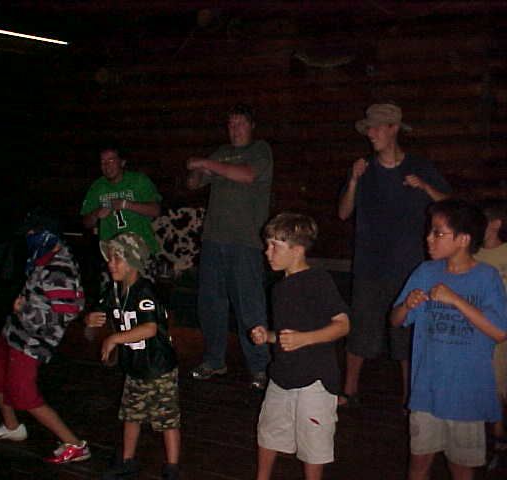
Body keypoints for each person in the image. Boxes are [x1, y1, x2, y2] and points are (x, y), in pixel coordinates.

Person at [337, 103, 451, 407]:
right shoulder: (364, 169)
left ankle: (410, 397)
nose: (371, 134)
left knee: (408, 332)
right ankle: (349, 391)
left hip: (409, 267)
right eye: (368, 129)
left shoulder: (419, 167)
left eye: (376, 128)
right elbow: (343, 213)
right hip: (369, 266)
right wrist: (353, 181)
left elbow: (448, 204)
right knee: (362, 327)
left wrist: (424, 187)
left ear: (394, 129)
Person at [390, 199, 507, 479]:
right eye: (430, 231)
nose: (429, 238)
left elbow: (499, 332)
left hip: (466, 393)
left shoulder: (486, 277)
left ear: (463, 240)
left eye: (438, 233)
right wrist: (406, 305)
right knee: (419, 464)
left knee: (461, 467)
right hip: (427, 389)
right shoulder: (425, 272)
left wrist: (456, 300)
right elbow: (395, 320)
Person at [0, 208, 90, 464]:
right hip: (14, 332)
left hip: (32, 342)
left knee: (24, 394)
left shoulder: (60, 268)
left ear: (47, 234)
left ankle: (74, 444)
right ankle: (12, 426)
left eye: (32, 232)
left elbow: (68, 313)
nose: (28, 237)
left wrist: (24, 310)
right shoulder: (43, 258)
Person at [251, 213, 349, 480]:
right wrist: (268, 336)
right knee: (268, 433)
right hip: (282, 375)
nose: (267, 252)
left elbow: (342, 325)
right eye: (267, 245)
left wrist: (305, 339)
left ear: (297, 250)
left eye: (275, 246)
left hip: (314, 380)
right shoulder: (279, 288)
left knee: (313, 445)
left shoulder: (318, 280)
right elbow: (286, 336)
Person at [186, 103, 272, 389]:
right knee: (211, 304)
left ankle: (259, 367)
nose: (235, 129)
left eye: (240, 123)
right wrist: (196, 170)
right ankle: (214, 360)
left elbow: (247, 175)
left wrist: (206, 164)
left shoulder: (260, 151)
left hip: (245, 243)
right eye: (231, 124)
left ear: (251, 126)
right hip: (213, 240)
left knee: (250, 306)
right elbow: (194, 184)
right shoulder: (221, 152)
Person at [85, 232, 180, 480]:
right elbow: (98, 314)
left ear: (133, 261)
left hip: (158, 368)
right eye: (110, 258)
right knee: (131, 414)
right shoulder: (114, 290)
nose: (111, 264)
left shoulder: (144, 291)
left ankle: (172, 467)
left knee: (166, 419)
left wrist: (114, 338)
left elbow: (149, 328)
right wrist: (90, 319)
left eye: (118, 258)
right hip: (134, 367)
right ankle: (128, 461)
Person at [81, 143, 161, 255]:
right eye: (103, 162)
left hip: (142, 249)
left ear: (122, 163)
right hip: (112, 252)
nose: (106, 166)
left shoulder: (138, 180)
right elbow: (86, 223)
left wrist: (125, 204)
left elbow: (156, 210)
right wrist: (97, 213)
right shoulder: (97, 187)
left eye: (111, 161)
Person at [474, 198, 507, 457]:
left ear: (495, 224)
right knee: (493, 383)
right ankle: (498, 435)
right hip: (485, 330)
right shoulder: (474, 256)